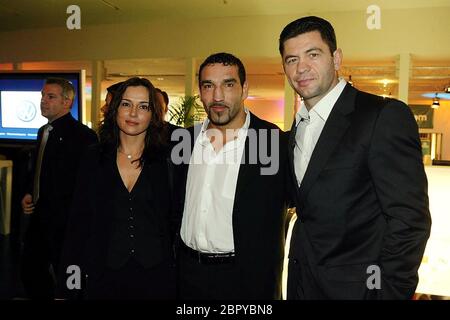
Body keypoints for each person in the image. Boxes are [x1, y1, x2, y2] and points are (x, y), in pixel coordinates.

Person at [279, 16, 431, 299]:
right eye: (291, 59)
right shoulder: (297, 129)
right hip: (303, 286)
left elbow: (410, 220)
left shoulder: (381, 116)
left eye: (313, 54)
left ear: (336, 58)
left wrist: (387, 293)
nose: (301, 68)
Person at [176, 52, 288, 300]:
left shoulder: (272, 142)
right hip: (188, 276)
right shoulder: (183, 141)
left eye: (228, 84)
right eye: (208, 86)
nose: (217, 96)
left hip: (246, 280)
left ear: (244, 88)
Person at [57, 77, 177, 299]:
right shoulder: (93, 157)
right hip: (103, 275)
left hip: (157, 277)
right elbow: (78, 221)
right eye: (126, 104)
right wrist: (70, 279)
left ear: (153, 114)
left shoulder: (168, 161)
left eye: (143, 106)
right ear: (115, 109)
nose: (133, 113)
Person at [20, 77, 98, 299]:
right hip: (39, 218)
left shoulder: (84, 137)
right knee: (31, 271)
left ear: (67, 102)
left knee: (70, 279)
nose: (43, 101)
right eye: (43, 96)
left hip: (66, 223)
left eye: (50, 96)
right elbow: (39, 169)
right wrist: (29, 192)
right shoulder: (43, 131)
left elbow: (86, 184)